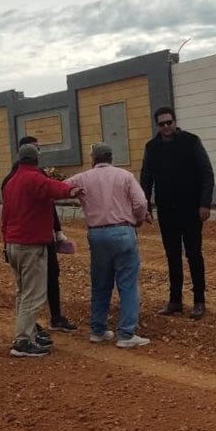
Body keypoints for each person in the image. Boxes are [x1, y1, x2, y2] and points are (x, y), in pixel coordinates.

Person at [1, 143, 82, 358]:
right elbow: (51, 187)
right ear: (36, 160)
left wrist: (5, 243)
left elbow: (4, 217)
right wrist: (71, 190)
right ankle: (23, 341)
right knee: (33, 295)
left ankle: (28, 334)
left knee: (22, 293)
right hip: (31, 245)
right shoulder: (32, 178)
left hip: (13, 244)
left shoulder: (11, 182)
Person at [66, 143, 151, 348]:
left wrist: (74, 193)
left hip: (97, 234)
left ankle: (98, 330)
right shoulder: (125, 176)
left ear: (93, 159)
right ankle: (126, 333)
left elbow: (59, 189)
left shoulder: (82, 178)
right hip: (123, 231)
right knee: (127, 284)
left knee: (100, 283)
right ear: (111, 157)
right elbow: (140, 203)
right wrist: (139, 218)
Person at [140, 106, 215, 320]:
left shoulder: (191, 142)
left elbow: (207, 173)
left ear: (175, 122)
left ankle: (199, 300)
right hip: (167, 211)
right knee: (172, 256)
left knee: (194, 254)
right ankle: (175, 301)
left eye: (169, 122)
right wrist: (145, 206)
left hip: (191, 209)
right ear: (157, 125)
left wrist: (205, 204)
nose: (166, 127)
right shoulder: (152, 147)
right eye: (162, 124)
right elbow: (146, 178)